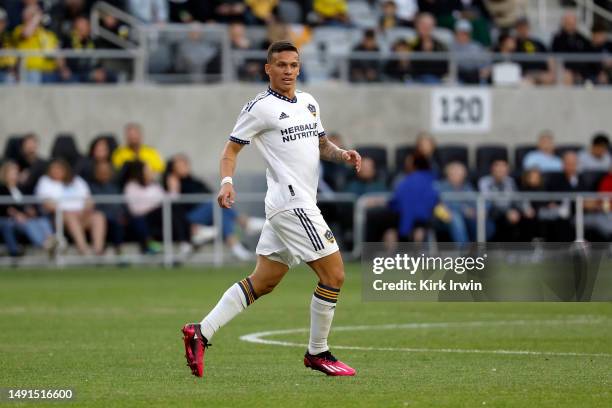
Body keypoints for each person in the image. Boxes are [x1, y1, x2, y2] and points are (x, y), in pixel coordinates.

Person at [181, 41, 362, 378]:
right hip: (291, 204)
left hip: (296, 204)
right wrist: (226, 182)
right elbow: (230, 151)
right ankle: (318, 352)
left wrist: (343, 153)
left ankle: (199, 332)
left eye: (293, 65)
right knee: (334, 274)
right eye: (281, 65)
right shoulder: (259, 108)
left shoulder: (309, 103)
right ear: (268, 68)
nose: (288, 71)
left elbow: (321, 145)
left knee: (263, 281)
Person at [165, 153, 264, 260]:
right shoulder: (172, 181)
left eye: (185, 163)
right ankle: (245, 224)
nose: (184, 166)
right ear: (173, 167)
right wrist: (173, 187)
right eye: (180, 164)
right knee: (217, 204)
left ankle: (236, 246)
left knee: (221, 210)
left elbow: (209, 192)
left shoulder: (193, 180)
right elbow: (173, 205)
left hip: (209, 213)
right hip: (190, 218)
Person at [34, 159, 107, 255]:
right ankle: (83, 249)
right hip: (59, 217)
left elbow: (89, 199)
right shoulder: (45, 182)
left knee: (98, 217)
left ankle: (98, 250)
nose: (56, 171)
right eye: (53, 169)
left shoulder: (77, 181)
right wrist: (67, 211)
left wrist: (85, 210)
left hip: (82, 215)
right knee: (70, 216)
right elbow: (47, 204)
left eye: (59, 168)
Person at [123, 160, 192, 255]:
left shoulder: (154, 185)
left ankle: (185, 239)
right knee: (169, 209)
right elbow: (135, 210)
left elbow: (168, 199)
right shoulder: (131, 186)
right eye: (148, 170)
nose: (151, 172)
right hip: (145, 218)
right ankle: (184, 239)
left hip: (160, 216)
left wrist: (174, 188)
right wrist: (155, 205)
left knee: (175, 209)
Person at [0, 161, 56, 257]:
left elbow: (27, 204)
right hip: (11, 219)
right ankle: (44, 244)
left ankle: (52, 240)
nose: (15, 175)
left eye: (16, 172)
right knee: (28, 224)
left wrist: (30, 210)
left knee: (42, 220)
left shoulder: (22, 188)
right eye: (12, 172)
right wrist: (16, 214)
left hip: (26, 216)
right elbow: (5, 207)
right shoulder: (2, 189)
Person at [389, 153, 438, 242]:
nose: (407, 165)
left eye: (410, 163)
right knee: (391, 230)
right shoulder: (401, 179)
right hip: (405, 216)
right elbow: (396, 200)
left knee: (419, 228)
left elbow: (433, 199)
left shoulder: (430, 180)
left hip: (421, 218)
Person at [478, 159, 521, 241]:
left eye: (503, 170)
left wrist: (521, 209)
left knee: (522, 215)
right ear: (492, 170)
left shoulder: (510, 181)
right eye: (498, 170)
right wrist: (507, 212)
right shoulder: (484, 181)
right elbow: (488, 200)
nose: (501, 172)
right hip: (491, 210)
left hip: (508, 210)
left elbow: (516, 198)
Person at [551, 11, 591, 85]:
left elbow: (589, 56)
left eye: (571, 22)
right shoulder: (557, 38)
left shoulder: (582, 39)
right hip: (565, 71)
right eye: (567, 22)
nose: (570, 25)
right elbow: (554, 56)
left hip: (582, 71)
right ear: (563, 23)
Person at [514, 17, 554, 85]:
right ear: (517, 29)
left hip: (541, 72)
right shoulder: (514, 44)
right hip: (524, 74)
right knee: (527, 82)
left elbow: (549, 58)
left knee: (550, 78)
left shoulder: (538, 43)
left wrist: (552, 72)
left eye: (525, 27)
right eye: (520, 27)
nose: (523, 30)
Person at [409, 13, 448, 83]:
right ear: (417, 25)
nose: (426, 28)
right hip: (415, 79)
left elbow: (445, 67)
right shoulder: (409, 43)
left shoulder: (440, 45)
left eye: (429, 25)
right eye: (423, 24)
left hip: (436, 79)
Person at [449, 19, 489, 84]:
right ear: (456, 33)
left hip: (476, 75)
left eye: (465, 33)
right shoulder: (451, 47)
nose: (463, 35)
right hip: (459, 76)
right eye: (460, 32)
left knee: (483, 83)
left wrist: (486, 69)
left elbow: (487, 62)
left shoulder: (477, 46)